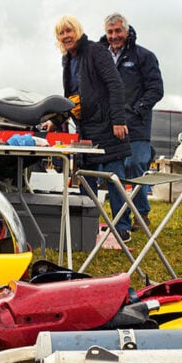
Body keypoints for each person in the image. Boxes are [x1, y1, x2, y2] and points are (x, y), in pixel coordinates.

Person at [47, 15, 132, 240]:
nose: (66, 36)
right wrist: (55, 120)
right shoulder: (67, 60)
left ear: (78, 31)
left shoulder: (96, 51)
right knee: (85, 179)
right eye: (61, 33)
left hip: (107, 125)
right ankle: (89, 226)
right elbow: (71, 98)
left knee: (114, 177)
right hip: (85, 127)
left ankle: (122, 227)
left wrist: (118, 120)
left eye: (69, 31)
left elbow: (115, 84)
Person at [101, 13, 163, 229]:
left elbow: (156, 89)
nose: (114, 36)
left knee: (135, 164)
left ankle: (141, 213)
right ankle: (121, 218)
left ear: (126, 32)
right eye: (110, 32)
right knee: (115, 171)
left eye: (118, 31)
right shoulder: (102, 57)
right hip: (108, 127)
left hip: (136, 126)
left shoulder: (143, 56)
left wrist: (137, 110)